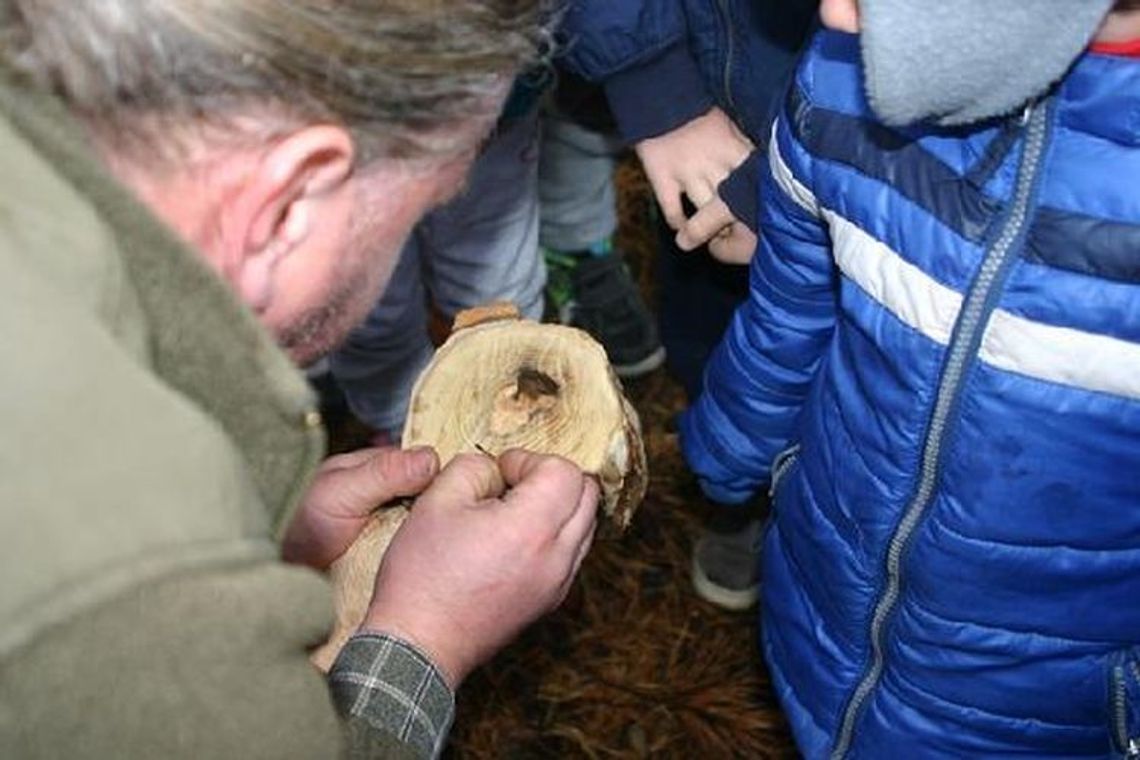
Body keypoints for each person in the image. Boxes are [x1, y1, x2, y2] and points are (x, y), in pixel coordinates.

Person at [0, 2, 600, 758]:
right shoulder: (133, 598)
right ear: (286, 208)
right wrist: (425, 637)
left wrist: (270, 525)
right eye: (426, 206)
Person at [680, 0, 1140, 756]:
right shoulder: (839, 77)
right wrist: (728, 449)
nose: (829, 9)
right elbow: (790, 310)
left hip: (1056, 707)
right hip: (823, 598)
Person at [557, 0, 818, 609]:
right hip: (702, 117)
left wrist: (786, 177)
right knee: (709, 330)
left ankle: (809, 504)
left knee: (846, 367)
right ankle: (733, 492)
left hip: (858, 155)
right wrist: (659, 92)